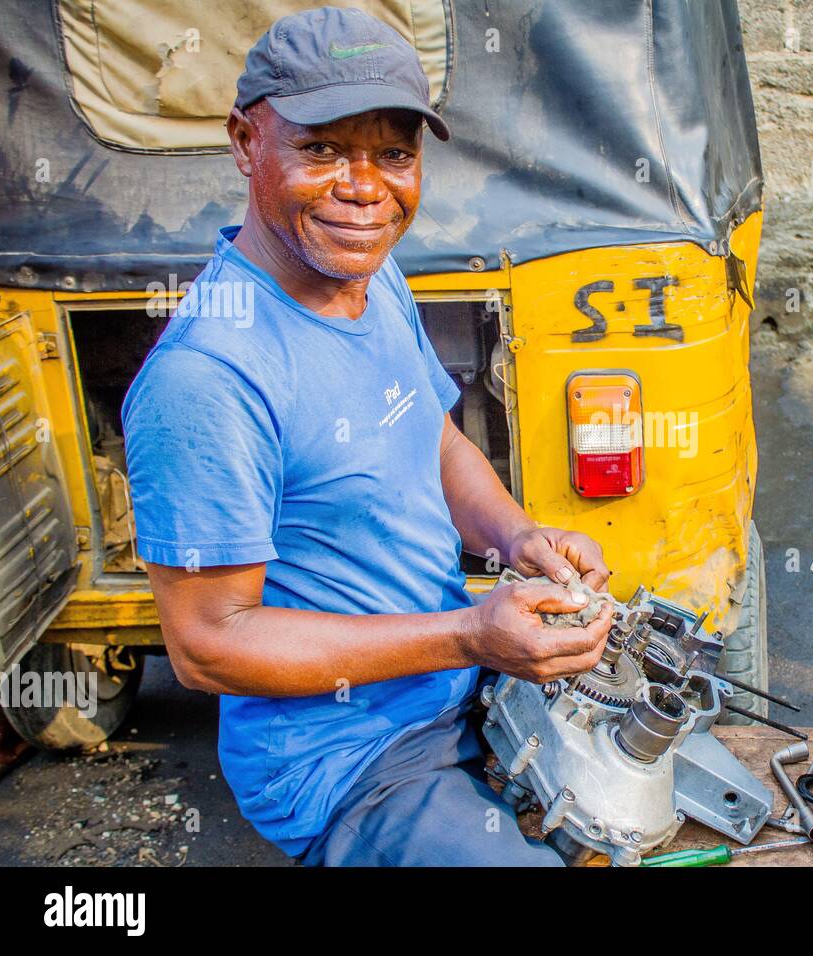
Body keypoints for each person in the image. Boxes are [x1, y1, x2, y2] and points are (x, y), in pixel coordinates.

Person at [122, 7, 612, 866]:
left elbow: (435, 439)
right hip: (351, 762)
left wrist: (519, 536)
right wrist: (467, 633)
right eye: (321, 150)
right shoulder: (208, 377)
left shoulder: (366, 274)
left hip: (457, 687)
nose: (364, 187)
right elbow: (207, 644)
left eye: (393, 153)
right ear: (246, 142)